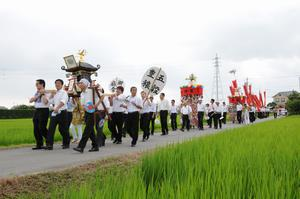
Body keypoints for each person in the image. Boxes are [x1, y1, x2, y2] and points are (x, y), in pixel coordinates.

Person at [73, 79, 99, 153]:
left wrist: (95, 105)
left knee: (87, 130)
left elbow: (102, 96)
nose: (79, 84)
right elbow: (82, 104)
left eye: (81, 83)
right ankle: (95, 146)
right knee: (90, 130)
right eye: (79, 83)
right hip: (87, 112)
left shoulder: (91, 90)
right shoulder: (82, 93)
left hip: (93, 112)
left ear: (85, 84)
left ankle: (81, 147)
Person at [47, 79, 70, 150]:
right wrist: (51, 95)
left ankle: (66, 143)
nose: (57, 84)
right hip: (54, 113)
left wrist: (57, 107)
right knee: (51, 128)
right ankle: (49, 144)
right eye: (56, 83)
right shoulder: (55, 93)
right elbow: (50, 101)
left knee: (62, 129)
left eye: (58, 83)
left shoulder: (64, 92)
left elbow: (63, 102)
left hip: (62, 112)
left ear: (62, 84)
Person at [29, 79, 49, 150]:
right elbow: (30, 100)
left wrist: (43, 94)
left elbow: (46, 102)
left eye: (37, 84)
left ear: (42, 84)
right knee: (36, 128)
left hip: (44, 110)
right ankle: (39, 144)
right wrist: (38, 95)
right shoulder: (36, 92)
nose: (36, 85)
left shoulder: (47, 92)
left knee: (42, 127)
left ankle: (49, 142)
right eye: (36, 84)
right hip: (37, 110)